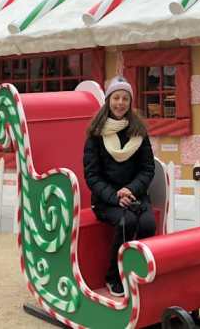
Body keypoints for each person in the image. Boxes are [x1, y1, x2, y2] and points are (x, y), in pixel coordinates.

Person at [83, 76, 156, 297]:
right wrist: (115, 197)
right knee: (127, 221)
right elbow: (92, 175)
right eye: (116, 98)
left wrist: (131, 190)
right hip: (107, 199)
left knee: (147, 223)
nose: (120, 103)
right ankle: (114, 276)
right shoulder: (96, 134)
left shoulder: (138, 131)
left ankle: (139, 273)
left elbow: (147, 168)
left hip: (135, 194)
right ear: (108, 100)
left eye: (125, 98)